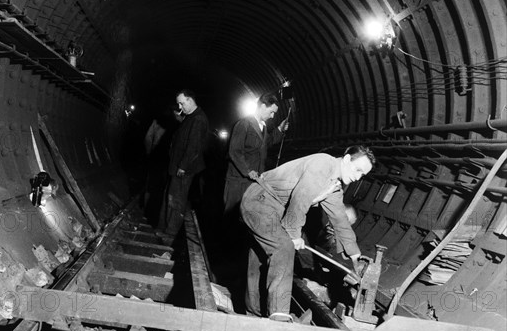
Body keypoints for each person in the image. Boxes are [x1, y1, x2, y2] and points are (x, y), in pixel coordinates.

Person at [240, 145, 375, 318]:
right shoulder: (323, 164)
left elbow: (340, 219)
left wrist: (356, 256)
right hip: (261, 201)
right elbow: (300, 199)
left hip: (273, 208)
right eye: (357, 170)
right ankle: (278, 316)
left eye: (362, 175)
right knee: (283, 247)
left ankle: (254, 312)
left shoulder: (334, 186)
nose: (357, 177)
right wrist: (294, 235)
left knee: (260, 256)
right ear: (347, 159)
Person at [223, 94, 289, 221]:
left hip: (253, 181)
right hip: (238, 181)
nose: (272, 116)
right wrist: (247, 171)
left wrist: (280, 129)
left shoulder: (262, 126)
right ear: (263, 106)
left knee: (246, 217)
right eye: (271, 112)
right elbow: (235, 151)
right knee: (231, 217)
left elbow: (266, 143)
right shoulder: (244, 124)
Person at [157, 89, 209, 244]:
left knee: (176, 200)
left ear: (191, 100)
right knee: (171, 196)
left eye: (182, 102)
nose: (180, 106)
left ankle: (170, 233)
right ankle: (164, 228)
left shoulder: (198, 119)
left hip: (184, 169)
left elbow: (194, 146)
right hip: (178, 166)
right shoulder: (191, 117)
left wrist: (183, 166)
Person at [143, 108, 183, 224]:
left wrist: (149, 152)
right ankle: (157, 216)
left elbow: (148, 138)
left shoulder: (156, 122)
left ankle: (146, 213)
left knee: (150, 184)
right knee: (163, 186)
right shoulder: (178, 124)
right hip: (168, 159)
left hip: (155, 156)